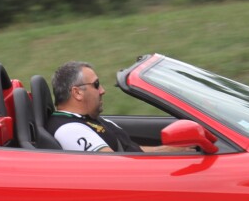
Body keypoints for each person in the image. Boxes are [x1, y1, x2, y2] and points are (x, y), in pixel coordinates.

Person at [47, 61, 188, 153]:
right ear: (77, 93)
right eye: (96, 85)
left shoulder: (88, 120)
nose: (102, 90)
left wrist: (169, 150)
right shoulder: (69, 129)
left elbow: (130, 151)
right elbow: (114, 163)